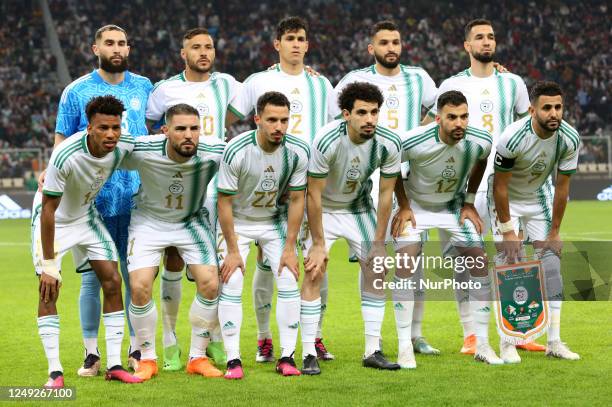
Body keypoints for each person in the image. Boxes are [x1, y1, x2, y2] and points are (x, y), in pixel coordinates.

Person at [424, 18, 536, 355]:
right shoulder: (451, 84)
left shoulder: (513, 82)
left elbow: (525, 129)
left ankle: (519, 331)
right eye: (479, 37)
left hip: (503, 184)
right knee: (464, 261)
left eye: (491, 36)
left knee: (513, 256)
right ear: (467, 46)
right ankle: (471, 333)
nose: (486, 41)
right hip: (461, 188)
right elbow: (431, 129)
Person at [230, 16, 338, 362]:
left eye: (301, 38)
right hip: (266, 187)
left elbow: (331, 131)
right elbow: (230, 117)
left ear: (308, 45)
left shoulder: (322, 85)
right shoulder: (258, 80)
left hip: (308, 186)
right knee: (266, 263)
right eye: (289, 38)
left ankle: (315, 336)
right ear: (277, 44)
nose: (295, 43)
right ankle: (264, 338)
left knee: (315, 262)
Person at [334, 19, 439, 355]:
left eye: (395, 42)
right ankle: (358, 337)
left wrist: (411, 138)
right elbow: (338, 117)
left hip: (408, 177)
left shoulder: (418, 77)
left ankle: (414, 335)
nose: (391, 48)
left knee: (413, 257)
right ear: (371, 48)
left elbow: (439, 111)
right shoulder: (355, 79)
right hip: (366, 179)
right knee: (370, 260)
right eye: (384, 43)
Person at [53, 24, 153, 373]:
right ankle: (91, 353)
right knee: (93, 278)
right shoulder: (76, 91)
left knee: (133, 275)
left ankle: (133, 350)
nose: (116, 48)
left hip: (138, 199)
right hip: (92, 201)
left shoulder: (144, 87)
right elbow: (61, 142)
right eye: (109, 43)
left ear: (129, 48)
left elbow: (155, 135)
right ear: (96, 47)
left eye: (122, 43)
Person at [145, 27, 241, 370]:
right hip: (179, 182)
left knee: (213, 266)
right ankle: (169, 339)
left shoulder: (227, 84)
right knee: (172, 258)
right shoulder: (165, 89)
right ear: (182, 53)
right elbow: (150, 127)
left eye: (209, 47)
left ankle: (210, 337)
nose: (204, 52)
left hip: (217, 183)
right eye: (196, 47)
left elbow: (252, 104)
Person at [35, 95, 142, 387]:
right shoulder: (66, 154)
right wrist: (48, 264)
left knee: (113, 281)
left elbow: (151, 149)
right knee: (49, 287)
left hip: (86, 217)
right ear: (89, 127)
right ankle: (55, 372)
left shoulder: (124, 143)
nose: (110, 134)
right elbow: (48, 209)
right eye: (103, 127)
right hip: (54, 220)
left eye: (116, 127)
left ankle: (115, 364)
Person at [392, 90, 503, 366]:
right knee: (405, 261)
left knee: (478, 261)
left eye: (464, 116)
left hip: (452, 208)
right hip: (416, 207)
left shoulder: (480, 140)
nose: (459, 123)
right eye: (452, 117)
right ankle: (404, 345)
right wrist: (403, 205)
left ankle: (483, 344)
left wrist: (468, 201)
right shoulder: (413, 140)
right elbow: (390, 165)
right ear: (438, 118)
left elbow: (481, 161)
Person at [302, 82, 401, 374]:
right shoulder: (326, 139)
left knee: (377, 267)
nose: (370, 118)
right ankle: (308, 352)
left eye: (374, 112)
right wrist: (318, 243)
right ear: (346, 114)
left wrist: (380, 241)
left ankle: (373, 349)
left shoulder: (389, 142)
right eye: (362, 112)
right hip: (324, 211)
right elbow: (313, 194)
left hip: (358, 209)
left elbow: (385, 194)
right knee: (314, 271)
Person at [121, 103, 225, 380]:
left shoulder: (214, 151)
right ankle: (147, 359)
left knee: (210, 283)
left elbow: (248, 162)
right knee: (140, 286)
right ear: (165, 131)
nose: (189, 135)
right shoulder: (143, 149)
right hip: (148, 222)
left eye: (194, 128)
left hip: (190, 221)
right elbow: (101, 153)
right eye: (180, 129)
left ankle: (197, 357)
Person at [217, 92, 309, 379]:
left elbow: (297, 200)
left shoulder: (297, 151)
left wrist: (290, 247)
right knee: (231, 280)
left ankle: (287, 357)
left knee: (289, 277)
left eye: (284, 120)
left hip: (272, 223)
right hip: (238, 224)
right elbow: (224, 202)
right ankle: (233, 360)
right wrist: (232, 249)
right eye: (271, 120)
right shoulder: (237, 149)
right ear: (257, 119)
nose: (278, 126)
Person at [492, 80, 580, 363]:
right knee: (509, 267)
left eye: (558, 107)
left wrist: (555, 232)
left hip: (539, 201)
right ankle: (508, 342)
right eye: (547, 108)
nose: (554, 113)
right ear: (532, 110)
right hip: (508, 202)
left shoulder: (569, 138)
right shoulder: (512, 137)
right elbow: (500, 186)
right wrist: (507, 231)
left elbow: (563, 187)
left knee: (552, 266)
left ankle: (554, 341)